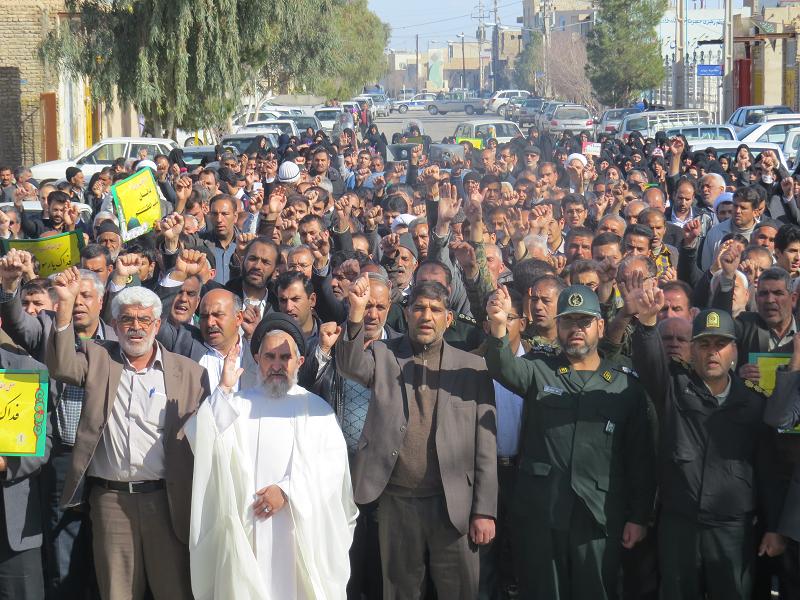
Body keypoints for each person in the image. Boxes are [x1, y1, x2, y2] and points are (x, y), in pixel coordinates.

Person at [484, 284, 657, 600]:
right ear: (558, 326)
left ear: (600, 326)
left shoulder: (624, 385)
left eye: (584, 322)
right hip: (542, 512)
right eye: (568, 321)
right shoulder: (540, 370)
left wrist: (638, 516)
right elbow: (502, 366)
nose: (576, 329)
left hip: (598, 516)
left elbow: (640, 460)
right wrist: (498, 327)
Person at [44, 274, 210, 600]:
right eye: (127, 320)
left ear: (157, 324)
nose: (136, 327)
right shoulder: (98, 357)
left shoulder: (190, 373)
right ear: (115, 325)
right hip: (111, 503)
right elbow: (61, 366)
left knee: (174, 591)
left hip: (167, 502)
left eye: (144, 320)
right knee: (117, 592)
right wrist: (64, 304)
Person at [336, 278, 498, 599]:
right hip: (397, 502)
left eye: (435, 310)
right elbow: (349, 364)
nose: (426, 316)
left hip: (453, 505)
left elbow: (486, 446)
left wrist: (484, 510)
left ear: (448, 319)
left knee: (460, 591)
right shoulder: (383, 354)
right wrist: (355, 314)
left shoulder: (472, 368)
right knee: (400, 592)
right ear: (407, 313)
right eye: (419, 308)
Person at [627, 276, 785, 600]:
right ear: (692, 350)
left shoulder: (753, 402)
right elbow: (648, 362)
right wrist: (647, 325)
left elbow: (768, 471)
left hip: (732, 529)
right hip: (679, 524)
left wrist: (773, 526)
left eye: (720, 344)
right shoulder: (672, 388)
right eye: (704, 344)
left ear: (734, 351)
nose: (712, 352)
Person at [186, 313, 357, 600]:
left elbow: (332, 470)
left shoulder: (317, 410)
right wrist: (224, 389)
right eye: (269, 357)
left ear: (299, 362)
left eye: (284, 357)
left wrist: (288, 491)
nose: (276, 365)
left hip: (296, 533)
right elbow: (201, 439)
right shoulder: (236, 404)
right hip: (247, 530)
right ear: (257, 360)